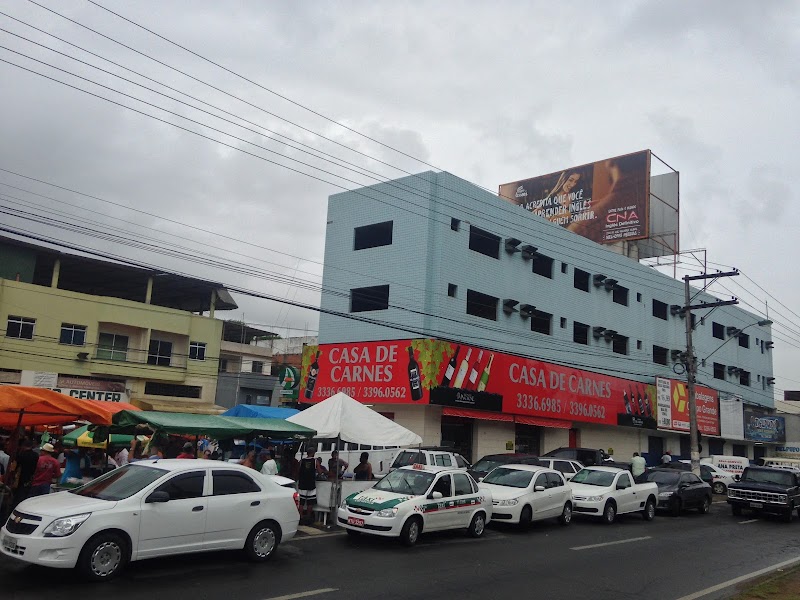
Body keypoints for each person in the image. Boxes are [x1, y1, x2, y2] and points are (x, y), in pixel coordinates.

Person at [12, 438, 39, 507]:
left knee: (18, 495)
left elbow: (14, 467)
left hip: (20, 478)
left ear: (23, 446)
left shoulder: (21, 455)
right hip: (31, 478)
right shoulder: (36, 455)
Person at [297, 448, 318, 524]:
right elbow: (319, 471)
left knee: (301, 502)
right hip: (311, 484)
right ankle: (308, 517)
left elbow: (298, 471)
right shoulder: (315, 461)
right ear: (313, 453)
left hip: (302, 484)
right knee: (310, 502)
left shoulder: (301, 461)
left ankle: (300, 516)